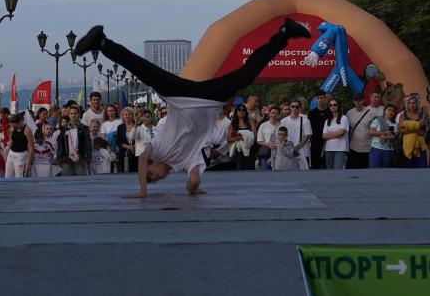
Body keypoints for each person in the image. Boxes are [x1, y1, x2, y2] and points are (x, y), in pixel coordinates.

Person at [71, 18, 310, 197]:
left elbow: (142, 159)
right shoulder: (186, 162)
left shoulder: (158, 148)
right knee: (248, 74)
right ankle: (284, 33)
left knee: (144, 69)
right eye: (155, 180)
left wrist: (143, 190)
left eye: (151, 175)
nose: (155, 176)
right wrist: (192, 188)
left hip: (182, 97)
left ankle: (102, 42)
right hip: (209, 100)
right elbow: (194, 179)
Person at [280, 99, 312, 170]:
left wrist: (297, 148)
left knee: (303, 175)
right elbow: (281, 136)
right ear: (290, 107)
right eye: (293, 106)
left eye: (297, 107)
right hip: (288, 151)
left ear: (300, 108)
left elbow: (306, 136)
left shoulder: (305, 120)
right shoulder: (283, 121)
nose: (294, 108)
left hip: (302, 151)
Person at [397, 94, 427, 168]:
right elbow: (401, 129)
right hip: (407, 145)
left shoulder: (421, 114)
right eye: (410, 103)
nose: (412, 105)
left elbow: (423, 131)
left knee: (421, 168)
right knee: (409, 169)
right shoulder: (403, 115)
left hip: (419, 147)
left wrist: (409, 126)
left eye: (414, 103)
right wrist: (416, 131)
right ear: (407, 104)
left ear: (417, 104)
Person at [345, 94, 373, 169]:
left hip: (368, 148)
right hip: (353, 149)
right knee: (352, 172)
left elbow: (374, 130)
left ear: (363, 101)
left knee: (366, 173)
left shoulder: (370, 113)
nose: (358, 102)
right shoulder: (349, 113)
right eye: (355, 100)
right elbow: (347, 131)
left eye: (360, 100)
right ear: (353, 101)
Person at [322, 99, 349, 170]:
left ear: (338, 106)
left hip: (340, 149)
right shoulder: (327, 120)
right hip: (328, 149)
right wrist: (336, 133)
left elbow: (341, 133)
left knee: (338, 171)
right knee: (329, 171)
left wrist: (330, 133)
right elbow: (324, 136)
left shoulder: (344, 118)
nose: (332, 106)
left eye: (334, 105)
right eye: (330, 105)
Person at [308, 90, 331, 169]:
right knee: (315, 169)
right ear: (315, 99)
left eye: (322, 98)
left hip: (328, 143)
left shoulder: (330, 112)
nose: (320, 100)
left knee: (328, 168)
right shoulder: (311, 114)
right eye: (318, 98)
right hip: (315, 145)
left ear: (326, 99)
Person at [5, 113, 33, 178]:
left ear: (19, 122)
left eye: (15, 126)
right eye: (12, 126)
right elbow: (12, 139)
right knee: (7, 177)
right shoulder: (13, 128)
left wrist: (29, 162)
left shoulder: (27, 130)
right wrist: (7, 151)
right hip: (11, 154)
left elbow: (31, 146)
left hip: (21, 156)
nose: (13, 127)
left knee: (19, 177)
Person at [228, 105, 255, 170]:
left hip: (249, 151)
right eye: (239, 110)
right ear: (236, 112)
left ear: (245, 112)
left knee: (249, 172)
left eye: (243, 110)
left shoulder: (250, 123)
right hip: (237, 152)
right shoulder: (232, 124)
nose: (241, 111)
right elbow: (229, 139)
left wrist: (240, 134)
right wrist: (240, 138)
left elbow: (254, 136)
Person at [256, 105, 281, 170]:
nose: (274, 115)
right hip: (266, 153)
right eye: (272, 112)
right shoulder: (263, 125)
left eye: (276, 113)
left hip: (278, 153)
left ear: (278, 115)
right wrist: (268, 144)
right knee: (265, 173)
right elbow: (259, 141)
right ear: (269, 114)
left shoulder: (281, 125)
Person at [115, 107, 137, 173]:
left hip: (136, 155)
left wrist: (134, 146)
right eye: (125, 114)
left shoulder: (138, 125)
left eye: (129, 114)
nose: (127, 116)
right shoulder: (120, 127)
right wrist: (128, 147)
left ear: (132, 115)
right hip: (124, 155)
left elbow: (143, 139)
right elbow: (118, 141)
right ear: (123, 116)